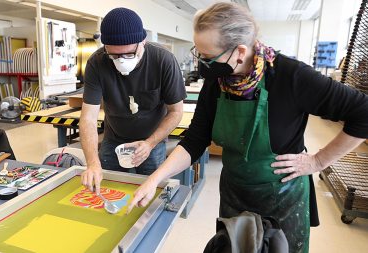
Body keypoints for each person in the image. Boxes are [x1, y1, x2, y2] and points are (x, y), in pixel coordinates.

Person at [127, 2, 368, 253]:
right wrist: (155, 179)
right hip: (235, 194)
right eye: (198, 54)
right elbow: (195, 140)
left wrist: (318, 161)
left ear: (239, 51)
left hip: (282, 198)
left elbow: (363, 113)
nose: (202, 64)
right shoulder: (217, 80)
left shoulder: (291, 76)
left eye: (208, 57)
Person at [79, 8, 186, 194]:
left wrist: (150, 143)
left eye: (128, 54)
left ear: (142, 41)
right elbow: (88, 117)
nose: (121, 61)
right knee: (108, 190)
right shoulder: (97, 62)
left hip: (151, 140)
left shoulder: (163, 60)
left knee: (150, 193)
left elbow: (176, 112)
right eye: (114, 55)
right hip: (113, 139)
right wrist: (92, 163)